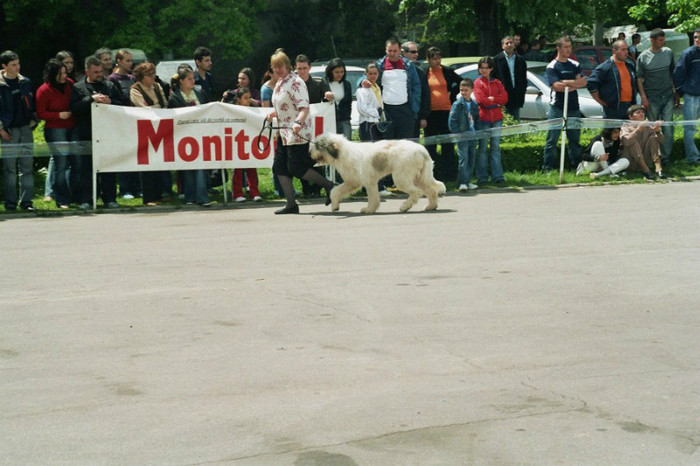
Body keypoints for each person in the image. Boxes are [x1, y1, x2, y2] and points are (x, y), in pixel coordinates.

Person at [268, 49, 334, 214]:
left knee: (296, 168)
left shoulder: (296, 82)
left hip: (297, 131)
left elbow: (303, 107)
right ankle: (291, 204)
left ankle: (329, 186)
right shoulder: (280, 83)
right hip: (284, 132)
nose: (277, 70)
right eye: (274, 67)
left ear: (287, 65)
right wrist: (274, 113)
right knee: (279, 167)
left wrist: (298, 122)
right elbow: (284, 106)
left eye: (280, 66)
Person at [70, 55, 123, 209]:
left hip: (107, 133)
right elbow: (74, 108)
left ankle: (110, 199)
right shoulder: (78, 88)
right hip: (87, 133)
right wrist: (90, 99)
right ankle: (86, 200)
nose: (99, 74)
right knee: (86, 169)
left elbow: (123, 105)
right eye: (95, 72)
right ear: (87, 71)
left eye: (100, 71)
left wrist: (110, 102)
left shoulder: (110, 86)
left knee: (108, 168)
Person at [167, 64, 212, 207]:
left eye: (193, 78)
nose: (193, 81)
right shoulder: (174, 98)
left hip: (200, 134)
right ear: (181, 80)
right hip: (184, 136)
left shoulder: (200, 92)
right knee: (187, 167)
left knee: (201, 167)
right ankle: (190, 197)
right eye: (189, 79)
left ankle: (202, 197)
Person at [542, 36, 587, 171]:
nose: (568, 50)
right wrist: (573, 83)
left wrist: (566, 82)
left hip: (573, 106)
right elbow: (556, 86)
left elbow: (582, 82)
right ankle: (548, 168)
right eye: (565, 47)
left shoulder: (575, 64)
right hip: (557, 106)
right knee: (552, 139)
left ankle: (576, 167)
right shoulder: (552, 66)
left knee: (574, 139)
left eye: (570, 47)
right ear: (558, 48)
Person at [36, 58, 75, 209]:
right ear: (53, 75)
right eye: (61, 73)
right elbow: (40, 113)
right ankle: (61, 198)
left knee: (72, 162)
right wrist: (58, 115)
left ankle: (71, 194)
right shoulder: (44, 90)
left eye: (65, 72)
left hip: (72, 127)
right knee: (61, 163)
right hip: (55, 129)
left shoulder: (70, 84)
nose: (65, 76)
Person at [130, 62, 170, 206]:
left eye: (153, 73)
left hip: (159, 127)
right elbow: (142, 108)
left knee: (158, 162)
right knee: (146, 164)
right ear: (141, 77)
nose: (153, 77)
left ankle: (159, 194)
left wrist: (158, 109)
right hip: (144, 129)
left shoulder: (157, 86)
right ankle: (148, 197)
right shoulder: (135, 90)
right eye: (149, 74)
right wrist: (157, 108)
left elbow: (165, 104)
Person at [0, 50, 36, 211]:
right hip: (8, 130)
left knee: (27, 166)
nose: (17, 67)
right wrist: (1, 129)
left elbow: (32, 103)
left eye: (18, 63)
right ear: (4, 66)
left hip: (25, 128)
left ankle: (27, 202)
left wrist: (33, 122)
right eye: (13, 65)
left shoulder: (25, 82)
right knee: (9, 168)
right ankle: (10, 203)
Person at [636, 28, 677, 166]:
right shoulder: (643, 57)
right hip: (652, 96)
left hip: (667, 95)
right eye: (660, 39)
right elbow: (639, 78)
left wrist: (675, 91)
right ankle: (653, 156)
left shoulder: (668, 53)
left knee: (668, 127)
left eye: (663, 39)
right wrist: (643, 96)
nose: (663, 41)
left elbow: (672, 73)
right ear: (652, 40)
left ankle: (665, 157)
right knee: (652, 128)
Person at [295, 54, 333, 197]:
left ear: (309, 68)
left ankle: (318, 189)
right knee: (301, 159)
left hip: (315, 127)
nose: (302, 71)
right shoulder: (293, 84)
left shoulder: (318, 82)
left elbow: (326, 92)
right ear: (295, 68)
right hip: (299, 127)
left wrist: (329, 94)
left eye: (304, 68)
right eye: (299, 68)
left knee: (317, 158)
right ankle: (306, 188)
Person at [422, 46, 461, 182]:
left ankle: (449, 176)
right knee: (430, 146)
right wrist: (422, 116)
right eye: (434, 58)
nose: (437, 61)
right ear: (428, 60)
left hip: (446, 112)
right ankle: (431, 176)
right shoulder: (424, 72)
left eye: (439, 58)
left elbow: (461, 82)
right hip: (430, 114)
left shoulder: (447, 71)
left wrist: (452, 92)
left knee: (448, 145)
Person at [372, 37, 421, 140]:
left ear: (400, 51)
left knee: (406, 144)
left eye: (395, 51)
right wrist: (363, 82)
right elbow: (366, 77)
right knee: (388, 145)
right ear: (385, 50)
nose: (392, 53)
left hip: (406, 111)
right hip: (386, 111)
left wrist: (414, 109)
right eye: (389, 50)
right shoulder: (379, 65)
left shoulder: (408, 65)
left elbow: (416, 86)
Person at [109, 49, 140, 198]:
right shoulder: (112, 79)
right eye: (127, 60)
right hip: (121, 122)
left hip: (133, 121)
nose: (130, 63)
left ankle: (136, 187)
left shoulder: (132, 78)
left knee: (136, 155)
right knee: (124, 155)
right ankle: (125, 189)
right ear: (119, 61)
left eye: (131, 60)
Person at [473, 56, 508, 184]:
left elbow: (504, 98)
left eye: (486, 68)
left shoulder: (497, 82)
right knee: (482, 148)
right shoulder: (476, 83)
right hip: (483, 118)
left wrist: (493, 100)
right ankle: (482, 177)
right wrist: (494, 101)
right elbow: (481, 100)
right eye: (481, 68)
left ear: (491, 69)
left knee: (495, 148)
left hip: (497, 118)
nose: (484, 70)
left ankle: (498, 177)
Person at [587, 40, 636, 120]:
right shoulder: (605, 67)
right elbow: (591, 84)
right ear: (614, 51)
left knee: (628, 132)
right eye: (623, 49)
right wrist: (599, 100)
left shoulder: (630, 66)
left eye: (627, 49)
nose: (626, 52)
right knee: (612, 132)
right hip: (613, 108)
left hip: (630, 106)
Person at [229, 87, 262, 203]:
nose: (248, 100)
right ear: (239, 99)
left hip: (250, 141)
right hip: (238, 142)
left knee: (252, 168)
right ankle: (237, 193)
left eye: (249, 98)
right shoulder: (233, 111)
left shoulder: (253, 110)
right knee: (238, 169)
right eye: (245, 98)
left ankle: (254, 192)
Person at [673, 28, 700, 164]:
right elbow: (678, 74)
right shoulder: (688, 53)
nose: (697, 40)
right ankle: (693, 158)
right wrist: (681, 92)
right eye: (695, 37)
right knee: (690, 128)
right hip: (691, 96)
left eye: (699, 37)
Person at [448, 78, 480, 192]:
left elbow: (477, 119)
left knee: (471, 158)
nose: (463, 92)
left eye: (466, 90)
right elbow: (452, 121)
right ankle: (462, 182)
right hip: (462, 136)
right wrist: (458, 133)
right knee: (464, 159)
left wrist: (478, 131)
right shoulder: (457, 104)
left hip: (472, 135)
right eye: (461, 90)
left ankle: (468, 181)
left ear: (472, 90)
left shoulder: (474, 104)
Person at [620, 104, 665, 180]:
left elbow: (661, 141)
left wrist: (657, 131)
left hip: (645, 158)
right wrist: (639, 129)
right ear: (631, 117)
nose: (641, 114)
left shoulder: (647, 126)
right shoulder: (625, 126)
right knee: (632, 141)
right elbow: (627, 142)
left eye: (642, 112)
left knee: (653, 138)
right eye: (638, 112)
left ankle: (659, 169)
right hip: (630, 161)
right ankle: (646, 171)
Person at [493, 36, 528, 121]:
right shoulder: (496, 60)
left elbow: (524, 78)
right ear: (502, 46)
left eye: (511, 43)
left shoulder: (520, 60)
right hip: (502, 96)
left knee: (516, 122)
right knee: (504, 122)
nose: (509, 45)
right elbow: (494, 78)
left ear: (514, 45)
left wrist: (522, 90)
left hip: (516, 96)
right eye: (507, 43)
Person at [401, 41, 429, 137]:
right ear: (404, 53)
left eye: (417, 52)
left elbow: (425, 96)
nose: (416, 54)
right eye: (413, 52)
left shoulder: (420, 73)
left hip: (414, 116)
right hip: (397, 114)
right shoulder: (393, 68)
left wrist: (423, 117)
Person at [324, 58, 353, 140]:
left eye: (342, 72)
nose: (340, 75)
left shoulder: (347, 84)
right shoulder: (324, 83)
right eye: (336, 72)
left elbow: (349, 103)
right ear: (330, 71)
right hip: (329, 120)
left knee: (347, 147)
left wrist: (347, 118)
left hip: (344, 120)